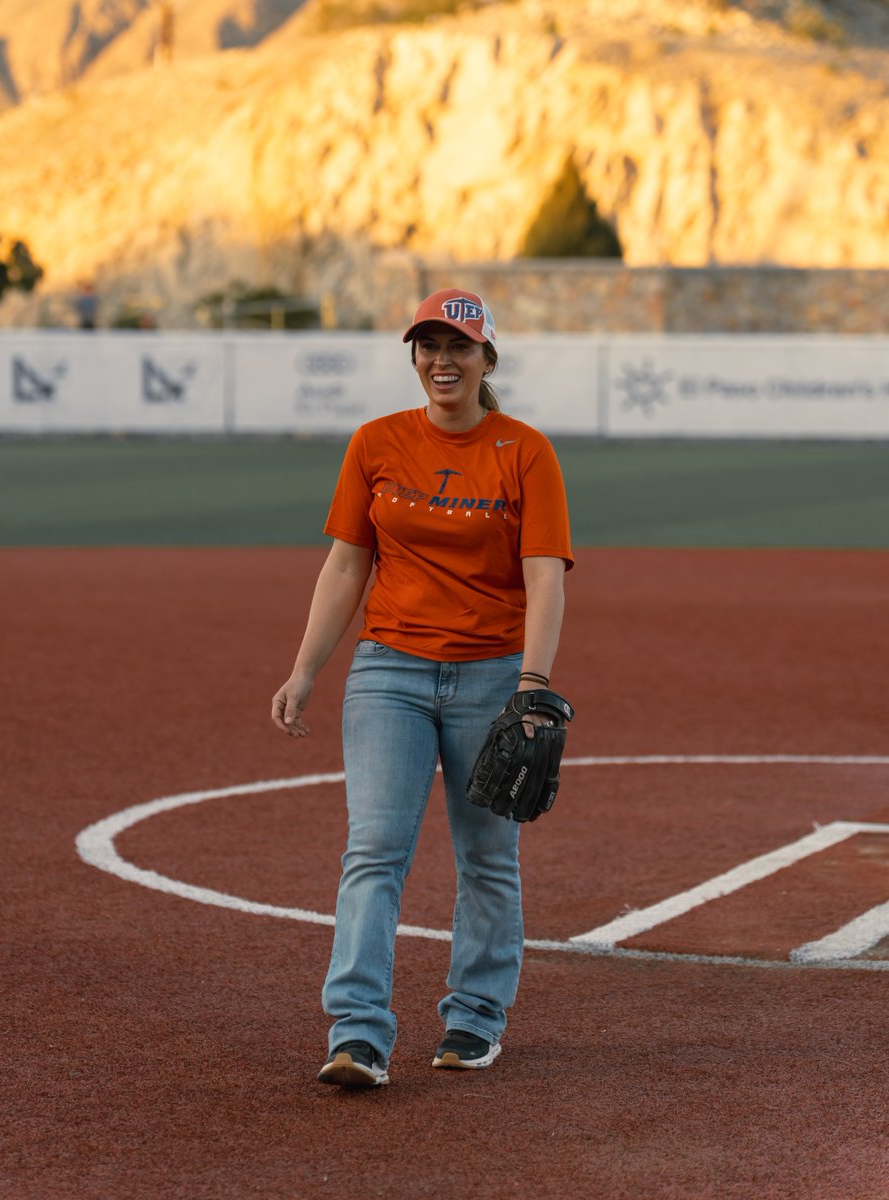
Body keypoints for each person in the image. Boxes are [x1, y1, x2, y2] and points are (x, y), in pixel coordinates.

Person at [271, 287, 573, 1089]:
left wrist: (533, 686)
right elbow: (346, 565)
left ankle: (474, 1021)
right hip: (389, 673)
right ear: (414, 355)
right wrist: (307, 668)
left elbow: (545, 581)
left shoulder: (525, 451)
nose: (443, 360)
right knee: (374, 850)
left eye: (459, 347)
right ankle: (359, 1033)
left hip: (491, 676)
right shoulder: (374, 443)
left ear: (486, 357)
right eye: (428, 346)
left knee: (486, 857)